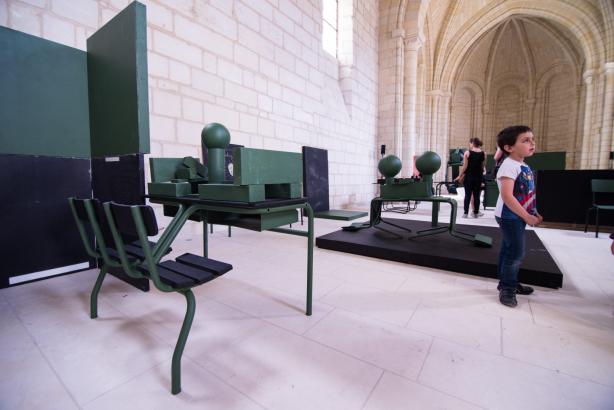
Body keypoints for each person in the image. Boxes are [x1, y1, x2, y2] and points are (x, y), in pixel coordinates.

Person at [494, 125, 543, 307]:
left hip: (518, 215)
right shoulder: (508, 166)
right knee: (515, 253)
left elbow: (526, 194)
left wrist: (533, 212)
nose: (532, 143)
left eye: (532, 139)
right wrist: (528, 218)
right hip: (510, 216)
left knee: (508, 250)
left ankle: (507, 282)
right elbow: (508, 196)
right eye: (525, 140)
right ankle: (508, 288)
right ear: (508, 147)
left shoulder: (522, 164)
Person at [455, 137, 486, 218]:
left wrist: (460, 175)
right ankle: (475, 213)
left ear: (472, 143)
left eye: (470, 143)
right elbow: (482, 166)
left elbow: (465, 166)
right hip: (478, 177)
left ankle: (465, 213)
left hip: (469, 176)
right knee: (476, 196)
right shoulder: (484, 153)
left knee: (467, 195)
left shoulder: (467, 153)